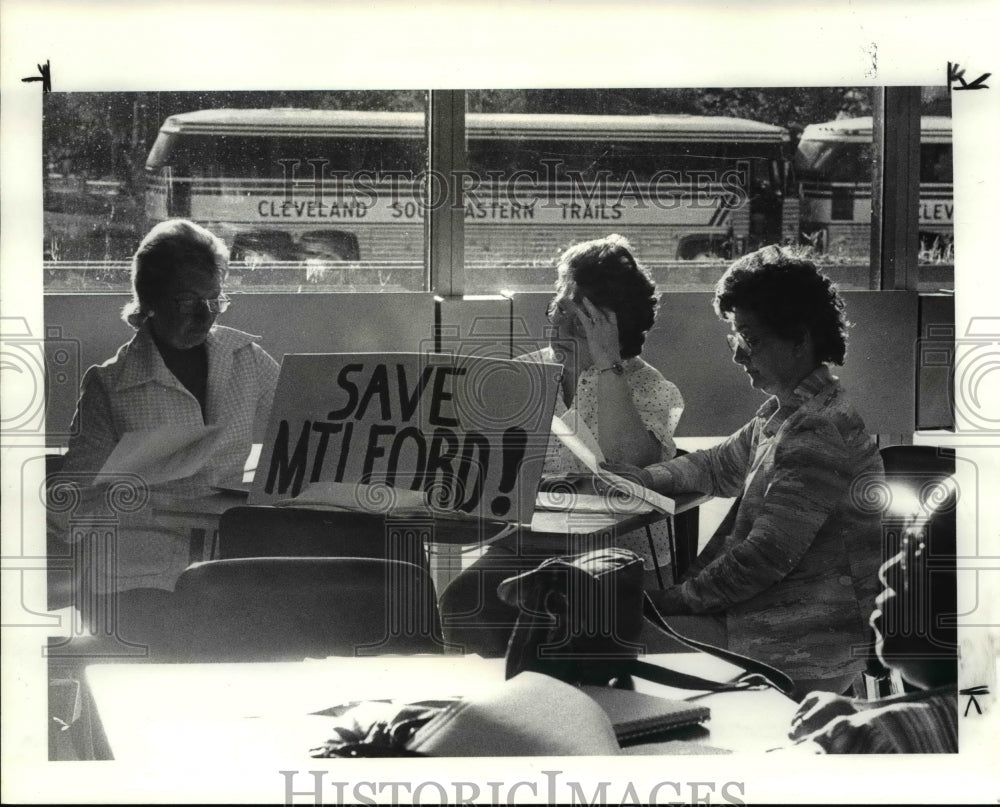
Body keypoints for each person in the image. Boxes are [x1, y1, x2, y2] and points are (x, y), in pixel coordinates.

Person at [606, 245, 883, 696]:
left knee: (602, 637)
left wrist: (670, 601)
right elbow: (717, 465)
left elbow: (763, 558)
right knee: (611, 624)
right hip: (777, 624)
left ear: (799, 337)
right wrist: (647, 478)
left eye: (751, 339)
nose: (738, 356)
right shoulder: (792, 411)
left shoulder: (815, 430)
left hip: (795, 642)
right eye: (736, 338)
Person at [439, 234, 684, 654]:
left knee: (562, 629)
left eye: (578, 317)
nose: (556, 324)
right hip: (527, 544)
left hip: (613, 556)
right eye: (558, 307)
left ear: (612, 326)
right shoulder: (524, 377)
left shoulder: (650, 388)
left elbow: (630, 468)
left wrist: (607, 363)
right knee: (461, 604)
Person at [52, 219, 280, 627]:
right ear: (151, 299)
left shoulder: (246, 359)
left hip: (227, 563)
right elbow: (72, 501)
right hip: (138, 576)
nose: (205, 316)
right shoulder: (110, 384)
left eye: (215, 300)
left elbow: (298, 434)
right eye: (188, 301)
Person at [786, 477, 958, 752]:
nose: (886, 571)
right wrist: (865, 710)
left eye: (916, 550)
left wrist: (851, 733)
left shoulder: (877, 742)